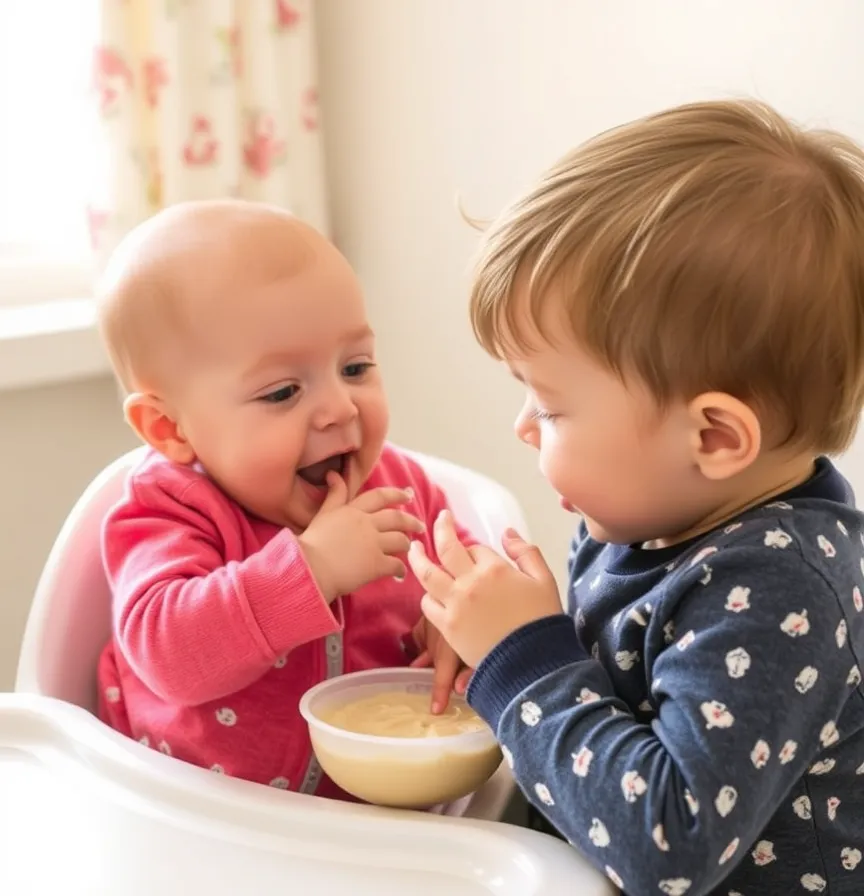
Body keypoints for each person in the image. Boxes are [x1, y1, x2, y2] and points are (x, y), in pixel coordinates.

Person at [408, 100, 864, 895]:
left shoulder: (783, 596)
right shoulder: (658, 515)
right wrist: (493, 641)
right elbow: (605, 698)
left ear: (714, 439)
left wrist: (522, 664)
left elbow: (668, 845)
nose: (522, 426)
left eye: (550, 406)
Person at [95, 199, 471, 800]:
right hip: (198, 816)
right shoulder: (168, 508)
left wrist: (459, 617)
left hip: (380, 822)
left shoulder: (397, 485)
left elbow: (464, 568)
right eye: (282, 392)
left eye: (355, 367)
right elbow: (169, 655)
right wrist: (313, 568)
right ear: (171, 429)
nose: (341, 409)